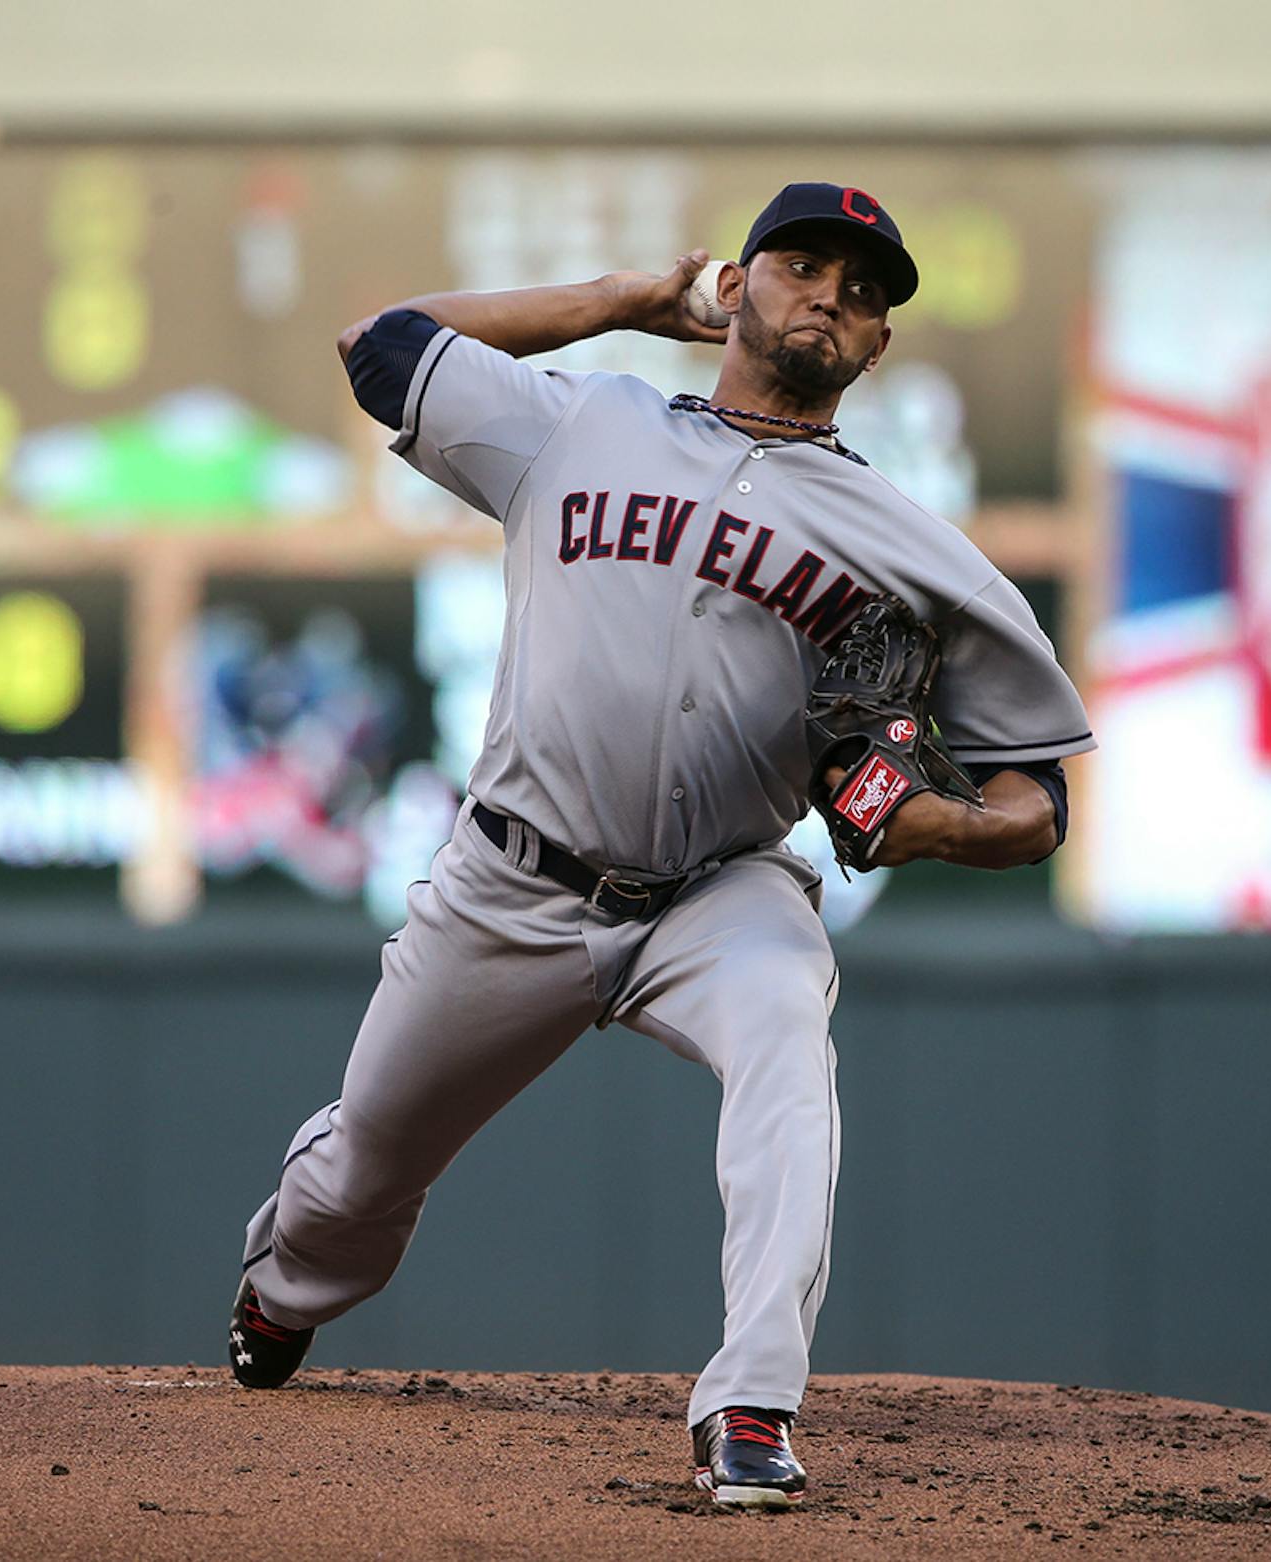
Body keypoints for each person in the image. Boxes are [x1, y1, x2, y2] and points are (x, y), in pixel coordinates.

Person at [228, 181, 1095, 1508]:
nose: (835, 298)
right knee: (358, 1184)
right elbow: (381, 346)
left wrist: (942, 829)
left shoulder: (914, 549)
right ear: (737, 289)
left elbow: (1040, 798)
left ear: (876, 350)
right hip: (510, 882)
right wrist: (633, 300)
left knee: (788, 1038)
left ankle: (750, 1401)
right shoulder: (581, 424)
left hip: (718, 888)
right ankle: (284, 1290)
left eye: (865, 295)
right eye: (803, 266)